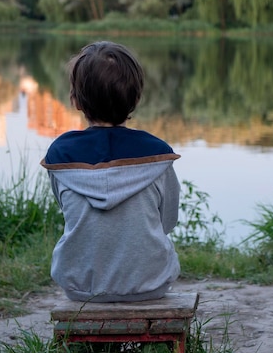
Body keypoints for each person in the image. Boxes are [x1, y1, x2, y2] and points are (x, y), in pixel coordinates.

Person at [40, 41, 181, 303]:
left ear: (76, 101)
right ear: (136, 98)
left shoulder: (59, 154)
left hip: (81, 287)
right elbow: (168, 222)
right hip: (149, 285)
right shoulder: (158, 153)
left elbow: (67, 210)